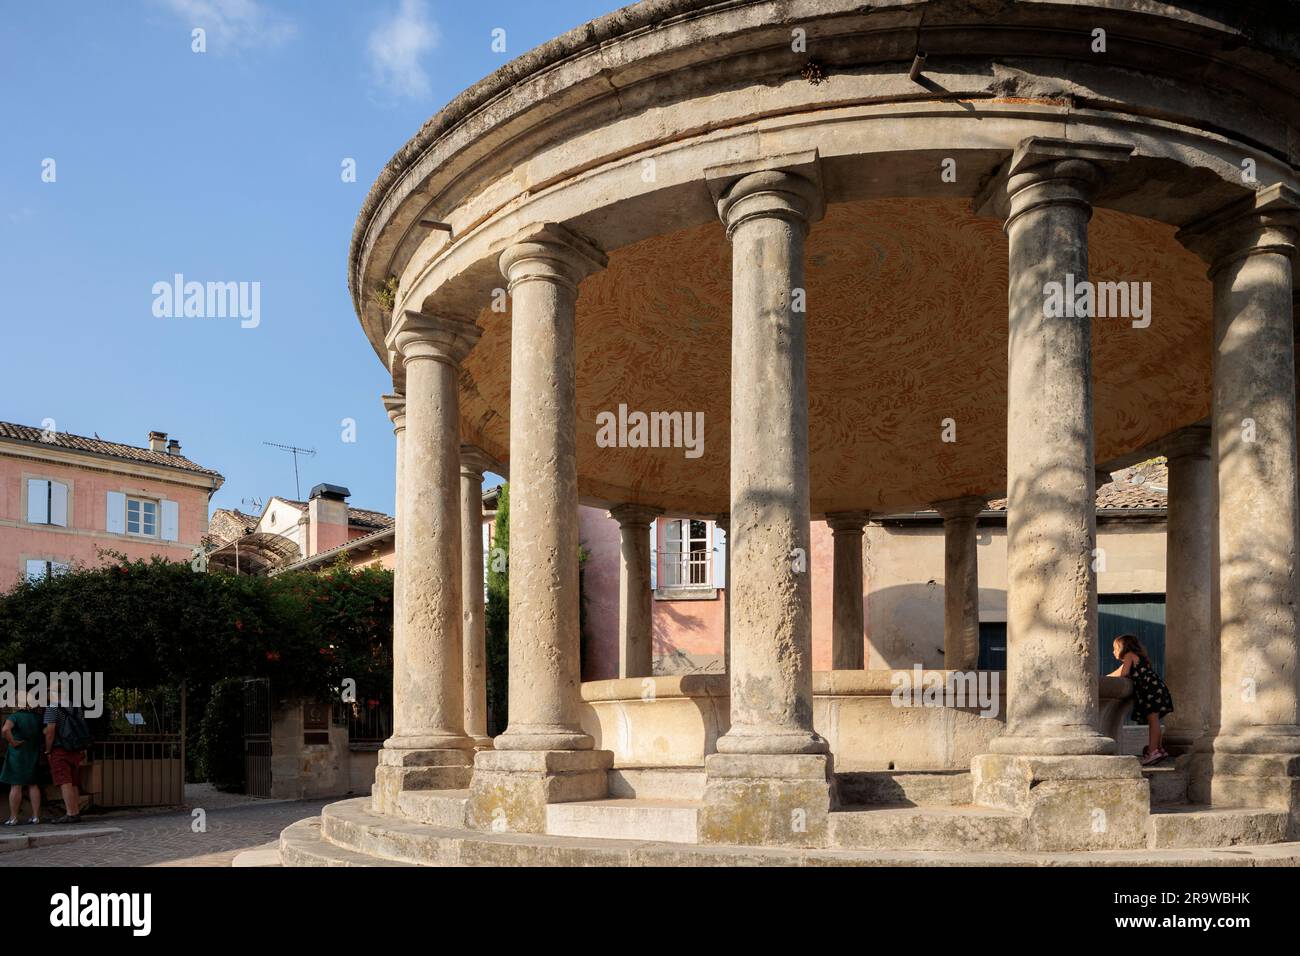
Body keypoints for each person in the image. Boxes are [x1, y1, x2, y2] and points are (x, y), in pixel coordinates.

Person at [1108, 633, 1174, 766]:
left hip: (1150, 691)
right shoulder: (1136, 657)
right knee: (1155, 721)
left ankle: (1153, 751)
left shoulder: (1128, 655)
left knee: (1153, 721)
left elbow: (1123, 673)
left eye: (1115, 648)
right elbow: (1117, 673)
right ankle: (1158, 749)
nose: (1113, 651)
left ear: (1123, 647)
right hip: (1156, 689)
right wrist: (1106, 677)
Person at [43, 694, 90, 824]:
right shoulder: (75, 706)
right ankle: (76, 811)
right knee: (74, 782)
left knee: (65, 781)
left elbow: (51, 730)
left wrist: (48, 749)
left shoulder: (52, 708)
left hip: (60, 748)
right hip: (75, 748)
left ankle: (70, 813)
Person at [1, 693, 43, 825]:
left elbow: (5, 730)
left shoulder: (15, 717)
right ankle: (36, 817)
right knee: (33, 785)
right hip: (33, 753)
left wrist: (13, 742)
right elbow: (46, 732)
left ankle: (13, 818)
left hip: (17, 755)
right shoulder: (38, 718)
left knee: (16, 785)